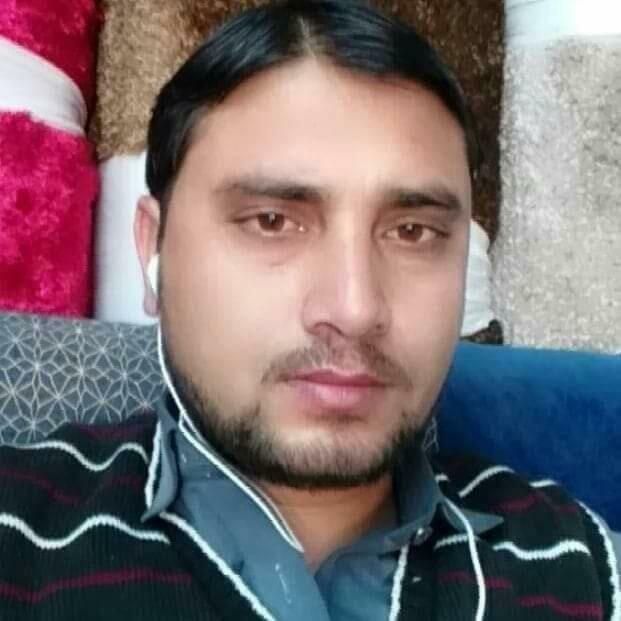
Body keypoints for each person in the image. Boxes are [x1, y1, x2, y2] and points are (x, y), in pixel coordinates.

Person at [0, 1, 619, 619]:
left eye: (412, 231)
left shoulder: (578, 565)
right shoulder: (20, 534)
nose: (354, 308)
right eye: (272, 221)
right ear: (152, 250)